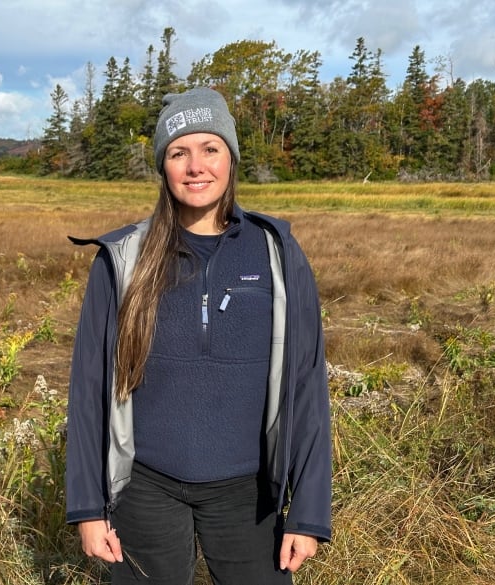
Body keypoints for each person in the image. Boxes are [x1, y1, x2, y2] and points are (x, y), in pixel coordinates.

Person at [65, 87, 331, 584]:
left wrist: (308, 511)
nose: (196, 166)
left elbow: (307, 385)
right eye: (178, 152)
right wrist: (87, 508)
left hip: (250, 495)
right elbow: (87, 392)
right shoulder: (122, 259)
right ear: (163, 167)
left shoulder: (276, 252)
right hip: (144, 489)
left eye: (210, 149)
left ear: (230, 159)